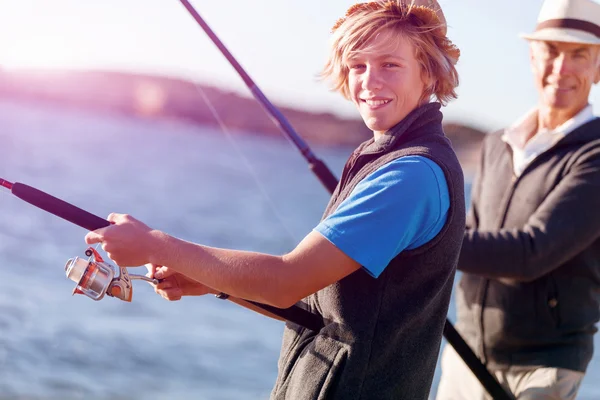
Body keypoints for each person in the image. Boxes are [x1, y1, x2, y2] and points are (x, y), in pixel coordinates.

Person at [86, 1, 464, 399]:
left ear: (427, 70)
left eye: (390, 64)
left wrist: (156, 245)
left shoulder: (410, 176)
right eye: (358, 66)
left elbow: (287, 280)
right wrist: (209, 281)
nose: (370, 82)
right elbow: (315, 308)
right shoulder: (386, 159)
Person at [436, 0, 600, 399]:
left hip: (544, 368)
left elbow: (531, 252)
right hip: (465, 354)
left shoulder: (595, 155)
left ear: (598, 68)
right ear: (532, 56)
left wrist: (421, 242)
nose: (561, 68)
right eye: (551, 51)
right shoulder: (497, 144)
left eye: (579, 55)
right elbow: (469, 232)